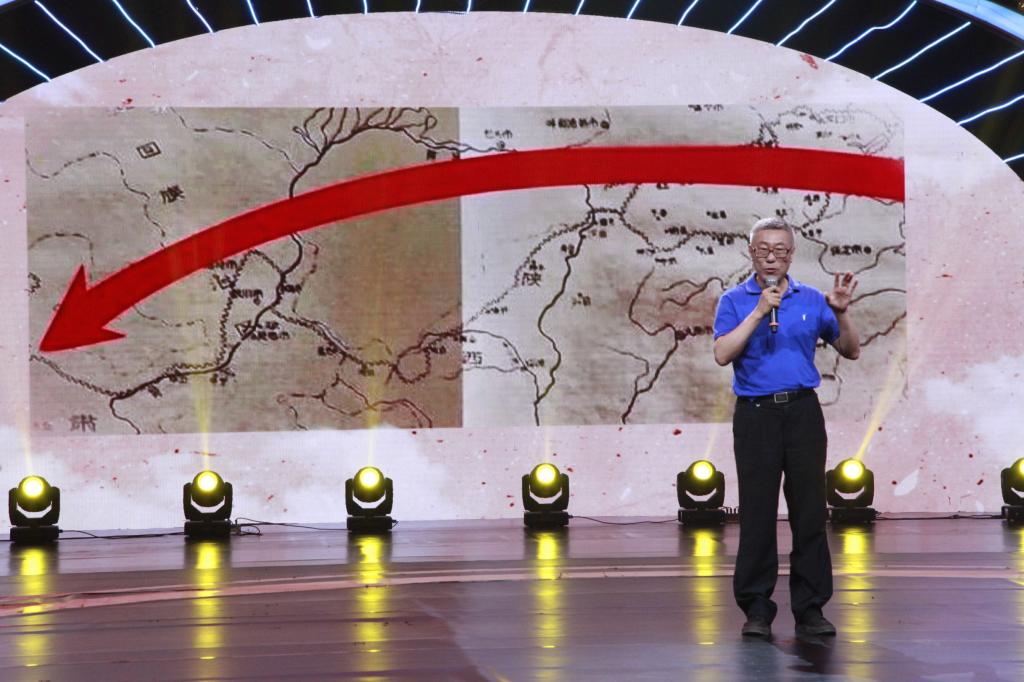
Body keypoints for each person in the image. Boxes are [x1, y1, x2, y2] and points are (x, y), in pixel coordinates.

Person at [712, 216, 860, 639]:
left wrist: (841, 314)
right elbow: (722, 353)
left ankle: (810, 609)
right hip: (755, 415)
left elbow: (850, 350)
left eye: (780, 250)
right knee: (757, 513)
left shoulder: (812, 299)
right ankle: (757, 610)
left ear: (792, 255)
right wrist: (759, 311)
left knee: (810, 512)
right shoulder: (733, 300)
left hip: (801, 414)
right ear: (751, 253)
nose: (771, 257)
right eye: (763, 249)